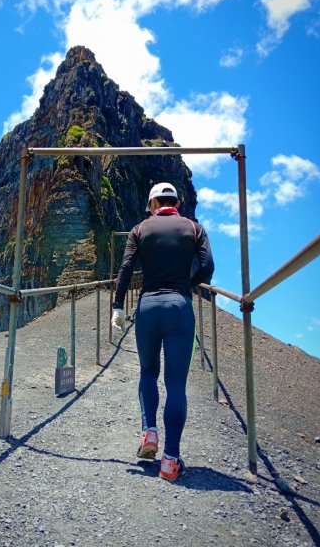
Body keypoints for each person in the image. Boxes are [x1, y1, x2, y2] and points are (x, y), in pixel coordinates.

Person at [112, 182, 214, 481]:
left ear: (153, 203)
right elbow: (208, 266)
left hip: (147, 307)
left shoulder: (139, 229)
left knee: (147, 373)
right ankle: (170, 461)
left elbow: (126, 267)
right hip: (179, 305)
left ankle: (149, 434)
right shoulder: (195, 229)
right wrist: (189, 284)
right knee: (176, 384)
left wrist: (118, 306)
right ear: (177, 203)